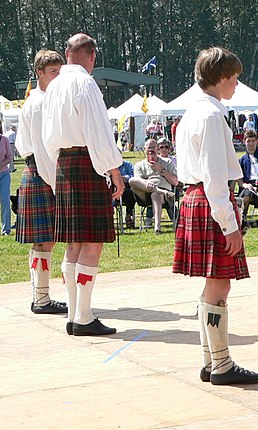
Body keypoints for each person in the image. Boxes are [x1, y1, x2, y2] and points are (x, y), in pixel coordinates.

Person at [173, 46, 258, 385]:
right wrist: (230, 225)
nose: (237, 85)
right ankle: (222, 365)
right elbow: (214, 175)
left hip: (195, 197)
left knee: (212, 286)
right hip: (210, 199)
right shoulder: (211, 115)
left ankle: (210, 360)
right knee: (219, 285)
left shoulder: (192, 112)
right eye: (235, 78)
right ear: (221, 77)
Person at [42, 33, 124, 336]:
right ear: (92, 56)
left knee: (73, 243)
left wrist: (54, 174)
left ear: (66, 53)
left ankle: (75, 316)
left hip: (63, 163)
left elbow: (45, 138)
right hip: (87, 163)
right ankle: (84, 317)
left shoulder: (54, 85)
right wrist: (114, 171)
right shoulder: (85, 83)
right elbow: (98, 132)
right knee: (91, 242)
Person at [14, 49, 68, 314]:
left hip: (39, 173)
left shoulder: (43, 100)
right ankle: (42, 300)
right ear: (39, 73)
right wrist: (57, 186)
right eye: (52, 72)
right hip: (41, 173)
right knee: (45, 241)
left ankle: (40, 296)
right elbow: (43, 150)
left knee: (43, 242)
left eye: (60, 71)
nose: (57, 76)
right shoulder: (38, 104)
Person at [130, 139, 178, 234]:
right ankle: (161, 191)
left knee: (156, 195)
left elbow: (175, 182)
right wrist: (146, 182)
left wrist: (162, 170)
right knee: (132, 180)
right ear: (144, 149)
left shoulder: (167, 162)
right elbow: (137, 181)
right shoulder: (139, 165)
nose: (151, 150)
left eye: (154, 147)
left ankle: (157, 227)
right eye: (149, 147)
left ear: (158, 150)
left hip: (164, 197)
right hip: (144, 194)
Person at [118, 160, 136, 229]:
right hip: (113, 191)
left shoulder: (127, 165)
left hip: (126, 191)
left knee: (131, 193)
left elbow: (133, 176)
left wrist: (126, 178)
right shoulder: (110, 165)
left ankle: (129, 215)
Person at [0, 133, 12, 235]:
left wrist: (2, 164)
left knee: (5, 201)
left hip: (4, 174)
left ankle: (6, 229)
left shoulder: (4, 139)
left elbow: (9, 157)